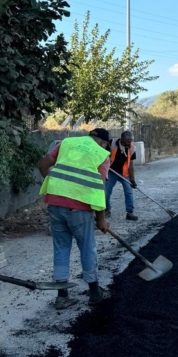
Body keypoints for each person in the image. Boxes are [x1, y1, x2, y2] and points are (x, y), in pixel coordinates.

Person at [36, 128, 112, 309]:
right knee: (87, 248)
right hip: (79, 209)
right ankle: (95, 292)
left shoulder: (66, 143)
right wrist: (101, 219)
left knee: (61, 248)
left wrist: (59, 185)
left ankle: (62, 296)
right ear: (103, 143)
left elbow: (41, 165)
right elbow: (99, 188)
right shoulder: (101, 154)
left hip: (55, 203)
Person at [104, 130, 138, 221]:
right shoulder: (111, 143)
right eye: (127, 141)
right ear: (122, 139)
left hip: (124, 173)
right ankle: (107, 210)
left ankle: (130, 213)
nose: (129, 143)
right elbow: (103, 156)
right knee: (106, 192)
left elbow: (131, 165)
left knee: (129, 192)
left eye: (131, 141)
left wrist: (132, 180)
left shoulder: (132, 148)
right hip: (111, 172)